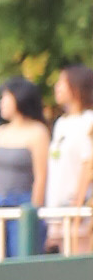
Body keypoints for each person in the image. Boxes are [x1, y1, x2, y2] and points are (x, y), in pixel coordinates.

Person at [0, 75, 51, 255]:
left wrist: (33, 211)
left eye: (6, 97)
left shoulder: (37, 132)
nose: (2, 103)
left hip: (23, 204)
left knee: (21, 256)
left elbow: (41, 176)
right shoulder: (0, 132)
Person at [47, 62, 93, 257]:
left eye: (62, 82)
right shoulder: (61, 123)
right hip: (57, 211)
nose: (57, 87)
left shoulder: (88, 121)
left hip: (78, 213)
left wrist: (78, 205)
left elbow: (88, 164)